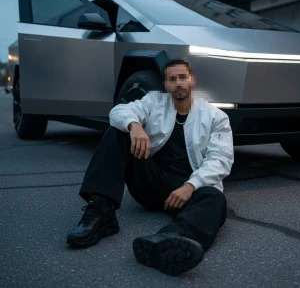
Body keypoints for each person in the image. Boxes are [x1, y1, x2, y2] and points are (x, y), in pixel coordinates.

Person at [66, 59, 234, 276]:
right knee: (118, 130)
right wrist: (134, 126)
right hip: (149, 182)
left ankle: (169, 241)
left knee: (215, 199)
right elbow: (119, 111)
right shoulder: (153, 101)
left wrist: (191, 186)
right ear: (166, 84)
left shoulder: (215, 116)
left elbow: (220, 159)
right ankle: (100, 212)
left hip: (186, 188)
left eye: (182, 77)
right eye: (172, 79)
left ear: (191, 79)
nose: (179, 83)